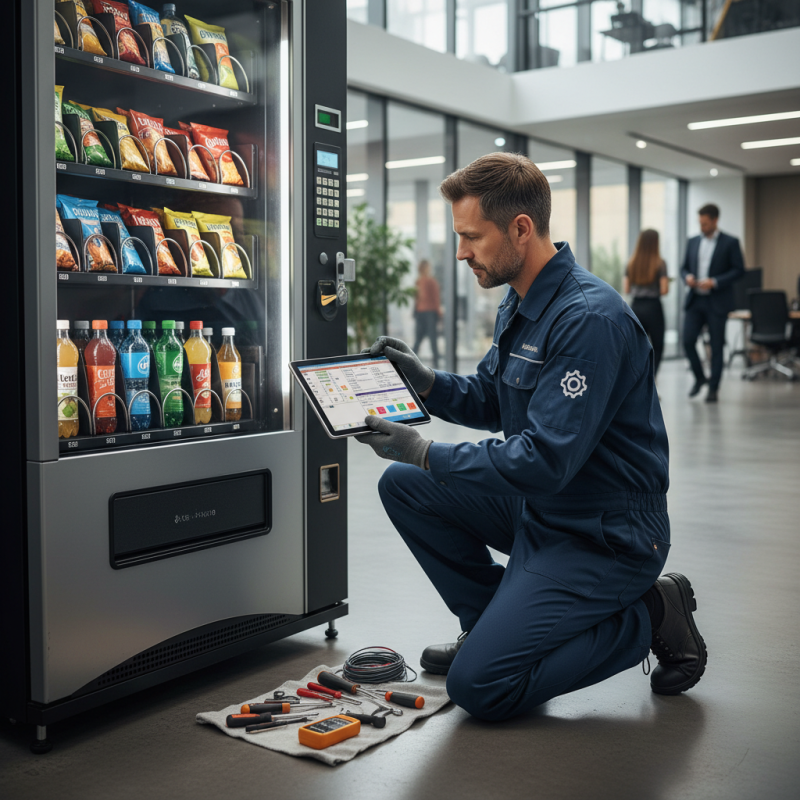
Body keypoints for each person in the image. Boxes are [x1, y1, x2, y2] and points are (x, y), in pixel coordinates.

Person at [356, 153, 707, 722]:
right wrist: (426, 384)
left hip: (604, 532)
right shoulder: (521, 301)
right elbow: (492, 400)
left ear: (521, 227)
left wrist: (426, 451)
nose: (461, 252)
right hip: (543, 510)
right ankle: (489, 623)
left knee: (482, 687)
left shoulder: (590, 319)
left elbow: (544, 459)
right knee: (404, 485)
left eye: (472, 237)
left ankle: (648, 613)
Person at [681, 204, 745, 403]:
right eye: (700, 223)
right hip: (696, 299)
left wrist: (715, 282)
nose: (702, 226)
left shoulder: (730, 242)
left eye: (705, 223)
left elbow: (739, 270)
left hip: (717, 301)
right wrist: (688, 277)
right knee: (687, 340)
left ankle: (713, 388)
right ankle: (700, 378)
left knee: (716, 346)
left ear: (715, 220)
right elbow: (683, 267)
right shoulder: (692, 242)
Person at [623, 229, 669, 377]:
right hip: (653, 307)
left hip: (635, 307)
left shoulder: (631, 263)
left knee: (636, 347)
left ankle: (638, 381)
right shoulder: (660, 264)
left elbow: (627, 288)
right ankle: (652, 381)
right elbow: (664, 290)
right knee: (657, 346)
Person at [412, 259, 442, 370]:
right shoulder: (430, 281)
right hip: (428, 313)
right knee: (430, 339)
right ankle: (436, 363)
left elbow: (417, 299)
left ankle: (410, 361)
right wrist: (439, 313)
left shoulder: (419, 281)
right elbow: (436, 298)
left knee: (419, 339)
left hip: (422, 313)